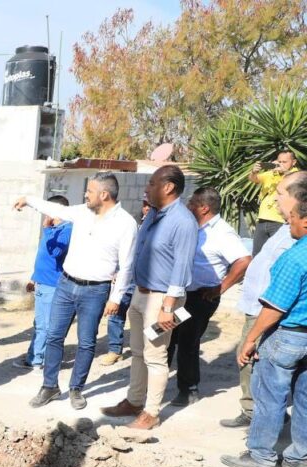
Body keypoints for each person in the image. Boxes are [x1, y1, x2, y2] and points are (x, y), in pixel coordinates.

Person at [14, 172, 137, 410]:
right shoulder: (82, 212)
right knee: (53, 336)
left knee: (87, 343)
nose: (85, 195)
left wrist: (116, 298)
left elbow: (127, 265)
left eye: (89, 191)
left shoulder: (126, 224)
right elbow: (55, 209)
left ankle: (76, 389)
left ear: (104, 194)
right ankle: (49, 386)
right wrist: (29, 200)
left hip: (96, 291)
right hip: (66, 285)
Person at [221, 171, 307, 467]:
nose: (287, 221)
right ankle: (300, 458)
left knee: (270, 396)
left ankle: (261, 456)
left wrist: (250, 339)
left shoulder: (297, 257)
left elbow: (275, 307)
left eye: (292, 217)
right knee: (304, 398)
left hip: (287, 335)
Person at [102, 166, 198, 430]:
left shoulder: (182, 221)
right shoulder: (153, 215)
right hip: (140, 295)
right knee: (138, 353)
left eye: (152, 183)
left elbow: (181, 268)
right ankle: (133, 402)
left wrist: (168, 308)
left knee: (156, 357)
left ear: (168, 187)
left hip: (162, 302)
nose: (146, 188)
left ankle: (151, 413)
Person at [166, 187, 251, 406]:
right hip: (178, 296)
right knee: (161, 334)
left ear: (204, 208)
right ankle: (154, 380)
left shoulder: (222, 232)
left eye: (192, 203)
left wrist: (219, 288)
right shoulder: (192, 226)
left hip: (199, 299)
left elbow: (243, 260)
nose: (188, 206)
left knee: (186, 341)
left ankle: (189, 389)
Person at [13, 195, 73, 371]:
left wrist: (47, 230)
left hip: (52, 286)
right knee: (40, 324)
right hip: (43, 283)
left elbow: (55, 252)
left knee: (44, 325)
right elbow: (43, 258)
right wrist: (34, 278)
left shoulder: (66, 229)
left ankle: (37, 359)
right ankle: (37, 355)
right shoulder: (55, 228)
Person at [101, 198, 149, 366]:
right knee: (116, 313)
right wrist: (117, 270)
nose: (146, 208)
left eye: (150, 205)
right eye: (144, 205)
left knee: (145, 317)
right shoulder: (135, 225)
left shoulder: (161, 228)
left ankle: (145, 350)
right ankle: (115, 350)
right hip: (127, 278)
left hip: (146, 282)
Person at [249, 149, 299, 255]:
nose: (280, 164)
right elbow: (253, 179)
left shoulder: (296, 175)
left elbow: (297, 183)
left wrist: (285, 172)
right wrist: (254, 171)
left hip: (280, 221)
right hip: (262, 219)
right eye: (279, 161)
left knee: (278, 254)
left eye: (284, 162)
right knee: (257, 253)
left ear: (293, 162)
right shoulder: (272, 173)